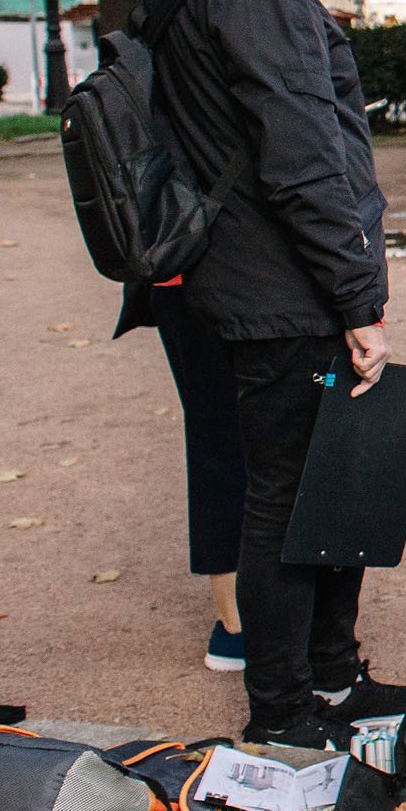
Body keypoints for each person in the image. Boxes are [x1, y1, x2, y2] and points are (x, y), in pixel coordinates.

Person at [138, 0, 406, 750]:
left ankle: (333, 676)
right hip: (280, 284)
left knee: (324, 479)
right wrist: (357, 297)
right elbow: (303, 151)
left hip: (248, 273)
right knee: (290, 495)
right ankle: (286, 705)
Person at [113, 282, 249, 672]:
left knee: (217, 439)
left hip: (179, 273)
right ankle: (240, 625)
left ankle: (237, 625)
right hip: (231, 274)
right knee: (231, 442)